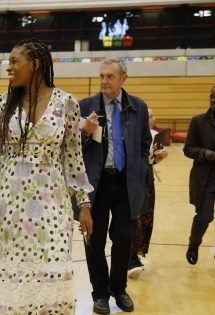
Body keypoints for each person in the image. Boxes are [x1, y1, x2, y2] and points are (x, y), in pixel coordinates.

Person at [0, 38, 93, 314]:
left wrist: (84, 205)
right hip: (9, 206)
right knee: (11, 275)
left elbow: (74, 158)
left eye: (15, 62)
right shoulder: (2, 103)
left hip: (53, 207)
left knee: (50, 274)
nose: (9, 68)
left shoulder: (67, 103)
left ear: (36, 64)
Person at [78, 57, 152, 314]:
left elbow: (145, 144)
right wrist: (85, 132)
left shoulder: (138, 107)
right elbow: (73, 149)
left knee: (123, 239)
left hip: (126, 183)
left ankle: (118, 289)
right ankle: (99, 294)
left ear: (123, 79)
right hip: (95, 185)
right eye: (101, 76)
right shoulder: (86, 106)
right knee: (94, 242)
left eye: (109, 76)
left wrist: (141, 166)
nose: (104, 81)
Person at [184, 83, 215, 276]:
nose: (213, 100)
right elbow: (188, 148)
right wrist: (204, 153)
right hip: (207, 179)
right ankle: (194, 244)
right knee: (204, 217)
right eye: (211, 96)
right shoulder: (199, 121)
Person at [128, 108, 169, 278]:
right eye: (150, 116)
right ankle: (130, 258)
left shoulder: (152, 134)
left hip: (147, 180)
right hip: (132, 179)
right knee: (134, 218)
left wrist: (159, 157)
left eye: (153, 115)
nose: (153, 118)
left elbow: (150, 161)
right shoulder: (130, 133)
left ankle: (136, 254)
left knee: (146, 218)